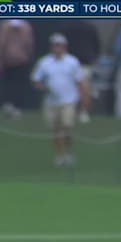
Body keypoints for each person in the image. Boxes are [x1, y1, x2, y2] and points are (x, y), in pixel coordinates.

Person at [31, 33, 87, 167]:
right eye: (55, 45)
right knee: (55, 130)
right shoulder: (45, 62)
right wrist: (43, 88)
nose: (57, 48)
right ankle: (60, 155)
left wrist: (83, 99)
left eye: (60, 46)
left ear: (64, 47)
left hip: (68, 100)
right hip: (51, 102)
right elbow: (36, 79)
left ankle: (68, 152)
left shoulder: (72, 62)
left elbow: (80, 81)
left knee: (67, 127)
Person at [0, 19, 35, 117]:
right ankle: (8, 104)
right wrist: (1, 58)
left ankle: (15, 106)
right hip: (9, 61)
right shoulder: (6, 27)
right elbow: (2, 43)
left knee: (18, 85)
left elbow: (29, 44)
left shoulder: (25, 28)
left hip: (20, 61)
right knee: (8, 83)